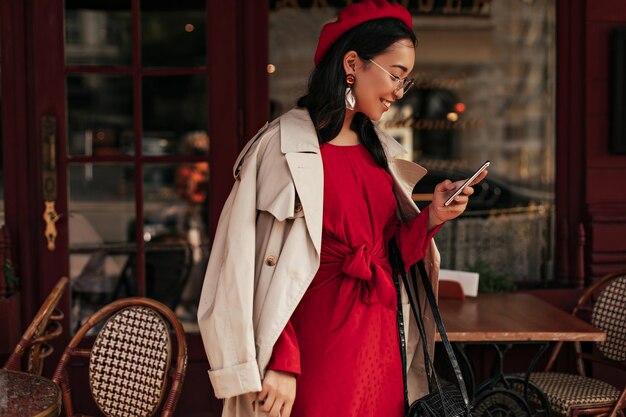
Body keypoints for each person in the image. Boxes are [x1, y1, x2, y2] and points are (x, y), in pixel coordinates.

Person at [197, 1, 487, 417]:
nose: (400, 92)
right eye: (395, 75)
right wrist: (281, 359)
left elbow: (387, 257)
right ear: (353, 63)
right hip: (314, 350)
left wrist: (433, 217)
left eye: (407, 79)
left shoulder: (379, 151)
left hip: (382, 344)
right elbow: (247, 266)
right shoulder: (280, 147)